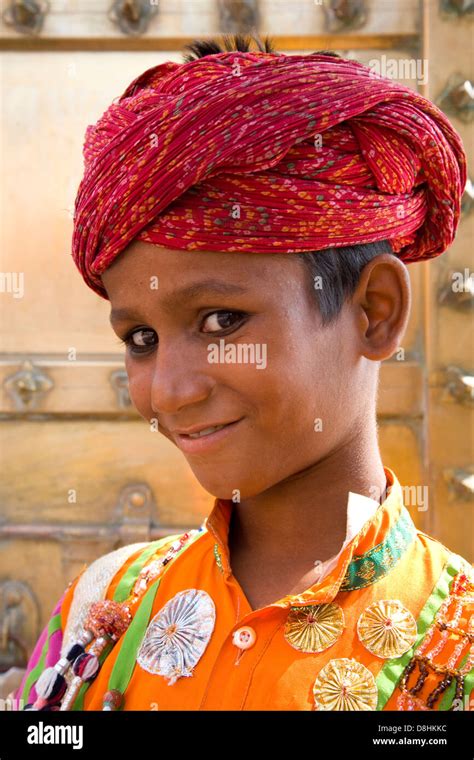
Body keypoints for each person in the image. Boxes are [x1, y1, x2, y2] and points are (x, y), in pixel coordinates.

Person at [14, 33, 472, 712]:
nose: (168, 390)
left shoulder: (454, 643)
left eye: (222, 321)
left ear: (374, 311)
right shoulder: (104, 604)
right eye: (141, 337)